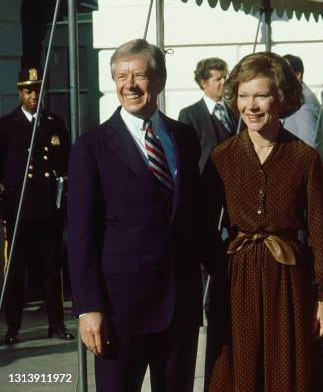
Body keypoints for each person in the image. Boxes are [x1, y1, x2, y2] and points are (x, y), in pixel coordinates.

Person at [67, 39, 206, 392]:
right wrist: (89, 308)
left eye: (139, 75)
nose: (129, 84)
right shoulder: (91, 148)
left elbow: (195, 220)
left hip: (180, 306)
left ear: (158, 80)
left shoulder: (184, 137)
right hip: (120, 310)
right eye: (120, 76)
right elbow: (81, 236)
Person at [203, 51, 323, 392]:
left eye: (261, 95)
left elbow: (319, 230)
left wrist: (322, 297)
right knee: (238, 374)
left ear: (282, 98)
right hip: (235, 283)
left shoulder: (305, 158)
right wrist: (221, 268)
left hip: (289, 282)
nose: (251, 106)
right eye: (243, 96)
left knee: (287, 373)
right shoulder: (222, 156)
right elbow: (202, 227)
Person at [0, 67, 73, 344]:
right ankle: (13, 327)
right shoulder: (7, 125)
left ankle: (55, 325)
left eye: (38, 90)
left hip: (48, 210)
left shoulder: (55, 124)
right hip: (18, 212)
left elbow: (66, 164)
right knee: (16, 272)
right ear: (20, 92)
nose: (34, 96)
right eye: (28, 90)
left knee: (52, 270)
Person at [178, 57, 239, 172]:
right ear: (204, 83)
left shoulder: (237, 111)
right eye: (218, 79)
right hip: (206, 184)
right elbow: (186, 157)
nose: (224, 82)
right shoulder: (189, 115)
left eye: (225, 77)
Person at [281, 54, 321, 149]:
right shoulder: (291, 97)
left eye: (284, 73)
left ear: (298, 75)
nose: (279, 77)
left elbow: (309, 145)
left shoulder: (304, 101)